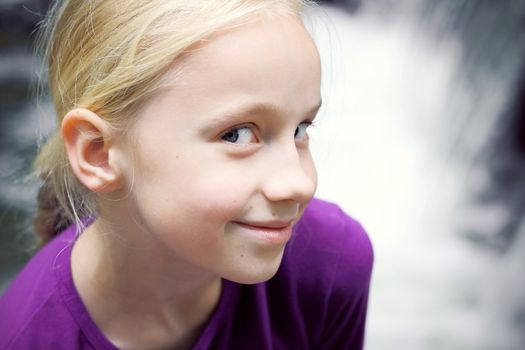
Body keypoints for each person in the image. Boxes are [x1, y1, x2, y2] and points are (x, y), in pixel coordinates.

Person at [0, 0, 374, 349]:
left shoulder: (331, 266)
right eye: (237, 134)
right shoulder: (26, 337)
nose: (299, 183)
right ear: (98, 152)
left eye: (300, 130)